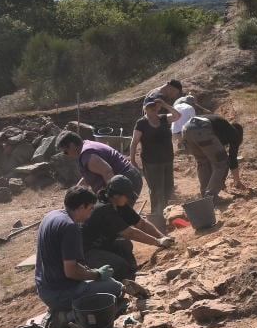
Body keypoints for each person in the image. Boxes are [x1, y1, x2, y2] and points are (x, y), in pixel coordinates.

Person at [34, 186, 129, 328]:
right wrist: (97, 275)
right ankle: (64, 317)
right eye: (90, 209)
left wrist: (92, 272)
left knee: (105, 283)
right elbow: (70, 271)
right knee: (115, 289)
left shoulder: (52, 215)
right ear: (81, 207)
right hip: (60, 292)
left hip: (45, 287)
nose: (91, 213)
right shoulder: (70, 228)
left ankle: (62, 309)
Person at [82, 175, 176, 281]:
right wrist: (157, 242)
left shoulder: (118, 204)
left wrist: (162, 237)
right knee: (120, 267)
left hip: (103, 244)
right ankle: (119, 281)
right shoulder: (103, 209)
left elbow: (142, 224)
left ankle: (131, 271)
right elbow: (130, 233)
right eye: (127, 196)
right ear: (116, 195)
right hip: (86, 253)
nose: (128, 199)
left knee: (124, 243)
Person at [130, 95, 180, 233]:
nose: (152, 109)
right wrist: (133, 160)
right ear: (144, 108)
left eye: (154, 106)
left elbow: (177, 116)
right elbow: (134, 143)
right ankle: (157, 219)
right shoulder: (141, 123)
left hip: (167, 160)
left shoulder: (163, 118)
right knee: (156, 190)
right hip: (151, 163)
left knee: (168, 187)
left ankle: (168, 215)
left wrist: (165, 104)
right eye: (149, 107)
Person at [56, 131, 141, 194]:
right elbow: (89, 175)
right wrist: (74, 192)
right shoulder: (86, 146)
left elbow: (107, 172)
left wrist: (112, 197)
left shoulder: (87, 155)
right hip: (128, 177)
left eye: (65, 152)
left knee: (115, 214)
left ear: (72, 145)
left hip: (127, 180)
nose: (67, 155)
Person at [181, 114, 245, 197]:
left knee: (203, 162)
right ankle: (211, 196)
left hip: (186, 129)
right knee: (222, 163)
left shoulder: (221, 128)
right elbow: (232, 159)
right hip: (202, 129)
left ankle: (205, 194)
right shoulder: (235, 134)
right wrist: (237, 181)